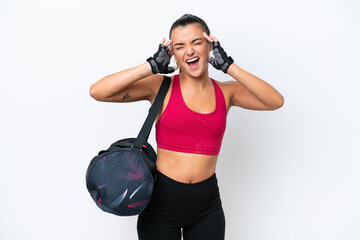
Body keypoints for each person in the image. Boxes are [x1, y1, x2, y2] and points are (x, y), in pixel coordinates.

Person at [90, 14, 284, 240]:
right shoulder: (160, 87)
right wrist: (150, 66)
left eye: (196, 42)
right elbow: (98, 91)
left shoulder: (226, 92)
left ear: (209, 46)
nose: (189, 51)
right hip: (161, 203)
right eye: (180, 46)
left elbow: (275, 101)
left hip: (207, 205)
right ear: (173, 53)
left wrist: (229, 66)